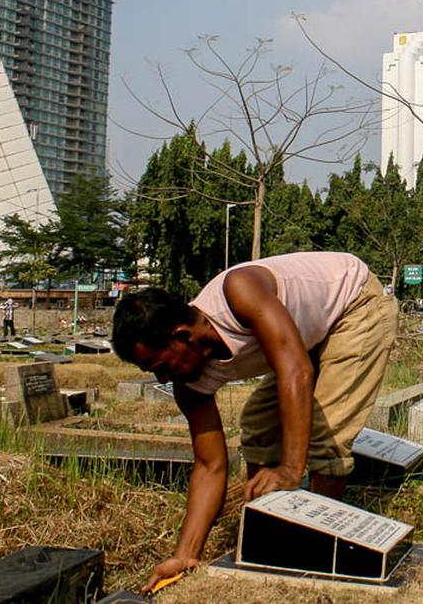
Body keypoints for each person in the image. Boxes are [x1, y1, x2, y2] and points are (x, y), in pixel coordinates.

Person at [110, 252, 397, 591]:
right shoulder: (189, 387)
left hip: (354, 304)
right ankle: (275, 536)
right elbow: (210, 465)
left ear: (183, 335)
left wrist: (291, 469)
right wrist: (186, 553)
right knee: (259, 424)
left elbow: (296, 370)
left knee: (324, 435)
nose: (162, 377)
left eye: (162, 365)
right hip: (310, 334)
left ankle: (320, 559)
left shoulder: (239, 292)